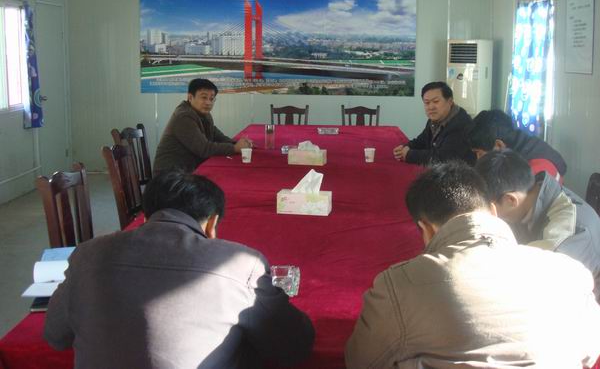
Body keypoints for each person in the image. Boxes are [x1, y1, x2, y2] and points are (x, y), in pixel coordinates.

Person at [44, 171, 315, 369]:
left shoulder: (87, 254)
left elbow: (55, 337)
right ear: (212, 224)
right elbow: (292, 347)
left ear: (146, 215)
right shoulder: (243, 264)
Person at [346, 161, 600, 369]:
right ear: (493, 210)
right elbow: (589, 352)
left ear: (425, 229)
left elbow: (362, 361)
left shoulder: (399, 285)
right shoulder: (570, 272)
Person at [475, 149, 600, 300]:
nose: (490, 215)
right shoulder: (534, 196)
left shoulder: (564, 236)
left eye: (490, 208)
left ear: (510, 200)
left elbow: (525, 287)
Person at [153, 78, 252, 174]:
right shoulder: (183, 116)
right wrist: (235, 148)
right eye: (204, 97)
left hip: (186, 171)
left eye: (211, 99)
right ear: (190, 97)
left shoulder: (203, 114)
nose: (208, 102)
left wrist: (237, 143)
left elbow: (216, 135)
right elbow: (204, 149)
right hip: (169, 177)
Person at [466, 109, 567, 180]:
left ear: (499, 146)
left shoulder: (533, 172)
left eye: (479, 153)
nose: (478, 159)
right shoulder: (523, 147)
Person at [393, 81, 474, 165]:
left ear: (450, 101)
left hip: (459, 172)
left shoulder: (461, 124)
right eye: (427, 103)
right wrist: (405, 147)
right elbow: (422, 141)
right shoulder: (436, 119)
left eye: (436, 101)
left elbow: (443, 159)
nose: (431, 107)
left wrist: (409, 155)